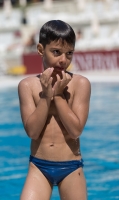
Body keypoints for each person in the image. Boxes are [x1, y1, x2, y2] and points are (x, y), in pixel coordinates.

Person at [18, 20, 91, 200]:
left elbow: (75, 130)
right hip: (38, 166)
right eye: (56, 52)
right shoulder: (27, 86)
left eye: (69, 53)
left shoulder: (80, 84)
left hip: (71, 167)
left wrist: (58, 96)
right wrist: (46, 96)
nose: (63, 60)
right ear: (41, 50)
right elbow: (33, 132)